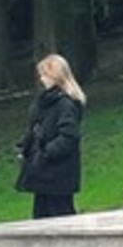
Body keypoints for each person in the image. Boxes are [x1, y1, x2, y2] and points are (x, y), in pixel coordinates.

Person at [15, 54, 87, 218]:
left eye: (45, 75)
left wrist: (47, 152)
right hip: (44, 171)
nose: (42, 79)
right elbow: (37, 129)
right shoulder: (46, 103)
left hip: (57, 172)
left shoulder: (65, 104)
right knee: (42, 216)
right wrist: (26, 147)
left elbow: (69, 136)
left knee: (61, 215)